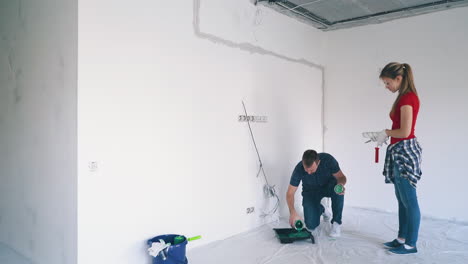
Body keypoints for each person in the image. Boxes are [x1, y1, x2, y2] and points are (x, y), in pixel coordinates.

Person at [363, 62, 422, 254]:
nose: (387, 87)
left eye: (388, 83)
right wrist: (383, 134)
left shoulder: (407, 99)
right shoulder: (403, 97)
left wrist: (385, 132)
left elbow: (405, 131)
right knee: (401, 199)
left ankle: (410, 244)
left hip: (404, 151)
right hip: (398, 149)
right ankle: (401, 238)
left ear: (399, 79)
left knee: (409, 200)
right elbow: (401, 129)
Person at [286, 149, 347, 238]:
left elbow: (341, 177)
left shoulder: (329, 160)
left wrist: (340, 184)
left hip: (329, 187)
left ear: (318, 163)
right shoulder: (299, 168)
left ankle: (336, 223)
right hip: (311, 191)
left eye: (311, 170)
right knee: (310, 226)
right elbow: (290, 193)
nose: (308, 172)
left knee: (338, 190)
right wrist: (292, 212)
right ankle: (322, 209)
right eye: (306, 170)